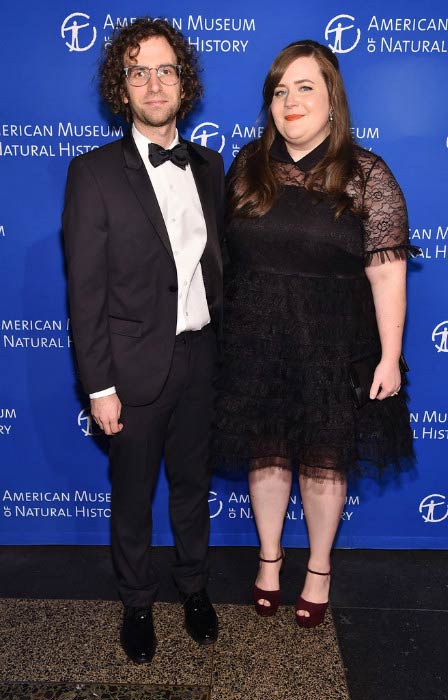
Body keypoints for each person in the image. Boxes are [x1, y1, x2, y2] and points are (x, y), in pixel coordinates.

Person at [212, 40, 417, 628]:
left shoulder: (367, 174)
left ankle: (319, 568)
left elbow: (386, 274)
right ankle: (270, 561)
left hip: (332, 342)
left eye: (305, 88)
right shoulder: (247, 166)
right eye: (280, 91)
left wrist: (390, 358)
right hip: (255, 339)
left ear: (333, 98)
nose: (290, 101)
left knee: (324, 463)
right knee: (267, 454)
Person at [63, 18, 223, 663]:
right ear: (121, 88)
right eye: (138, 72)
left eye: (165, 70)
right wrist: (100, 387)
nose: (153, 84)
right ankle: (136, 602)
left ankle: (194, 588)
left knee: (191, 486)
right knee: (133, 497)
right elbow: (85, 293)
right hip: (130, 370)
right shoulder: (93, 173)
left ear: (183, 84)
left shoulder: (211, 166)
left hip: (202, 358)